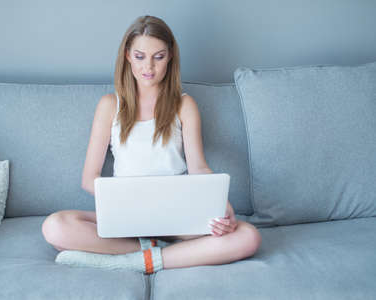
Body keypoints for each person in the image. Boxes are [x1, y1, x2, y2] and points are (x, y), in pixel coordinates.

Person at [42, 15, 261, 274]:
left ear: (170, 57)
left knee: (247, 236)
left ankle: (135, 260)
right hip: (126, 218)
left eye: (158, 57)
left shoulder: (184, 105)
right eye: (140, 56)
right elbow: (89, 178)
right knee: (55, 226)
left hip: (179, 218)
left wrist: (220, 206)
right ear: (127, 56)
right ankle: (164, 255)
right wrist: (124, 199)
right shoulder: (110, 105)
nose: (149, 67)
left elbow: (199, 168)